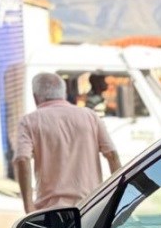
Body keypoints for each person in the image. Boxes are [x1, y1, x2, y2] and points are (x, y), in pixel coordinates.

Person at [13, 72, 122, 215]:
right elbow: (112, 155)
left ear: (35, 97)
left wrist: (29, 207)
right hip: (91, 208)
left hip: (51, 213)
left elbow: (22, 159)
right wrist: (117, 198)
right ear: (63, 93)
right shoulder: (90, 116)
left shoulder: (29, 121)